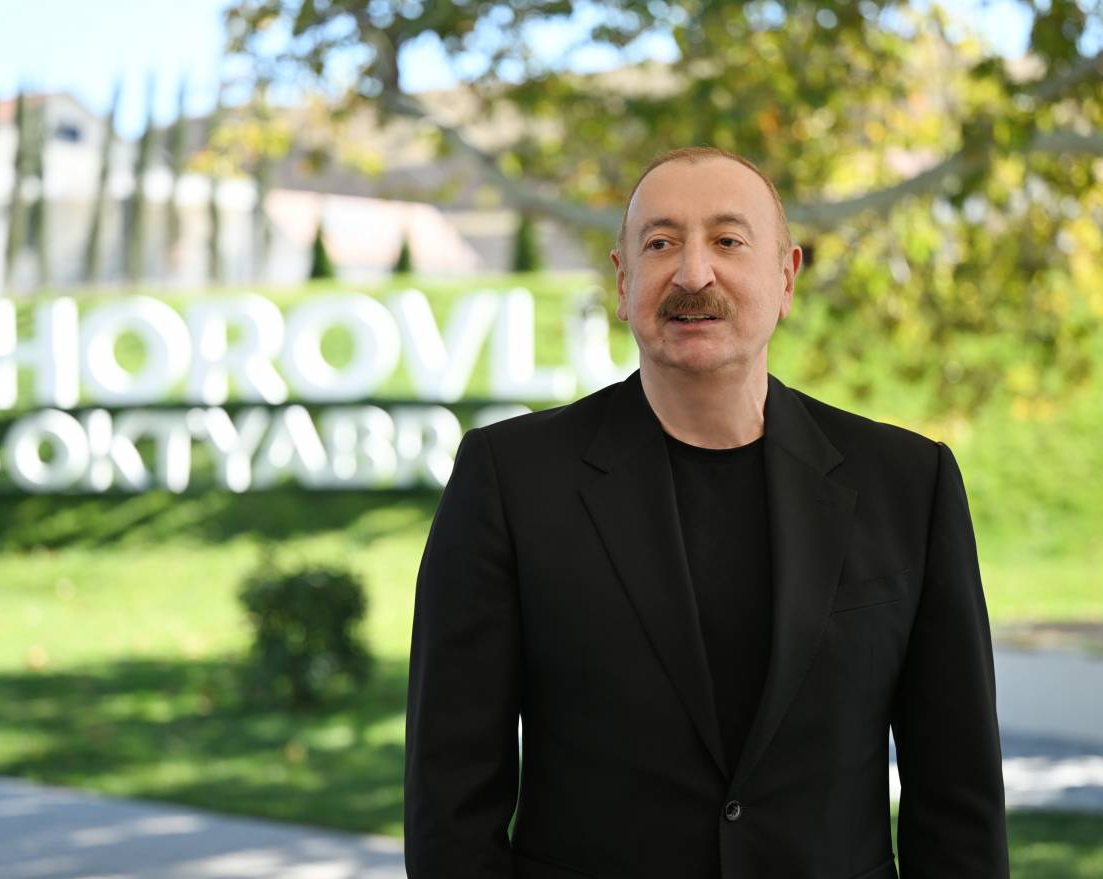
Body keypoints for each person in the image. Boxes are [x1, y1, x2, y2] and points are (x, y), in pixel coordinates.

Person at [404, 147, 1009, 878]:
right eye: (660, 244)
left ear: (786, 278)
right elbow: (450, 803)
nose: (693, 274)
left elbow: (958, 800)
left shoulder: (908, 483)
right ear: (623, 282)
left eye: (727, 240)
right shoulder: (508, 479)